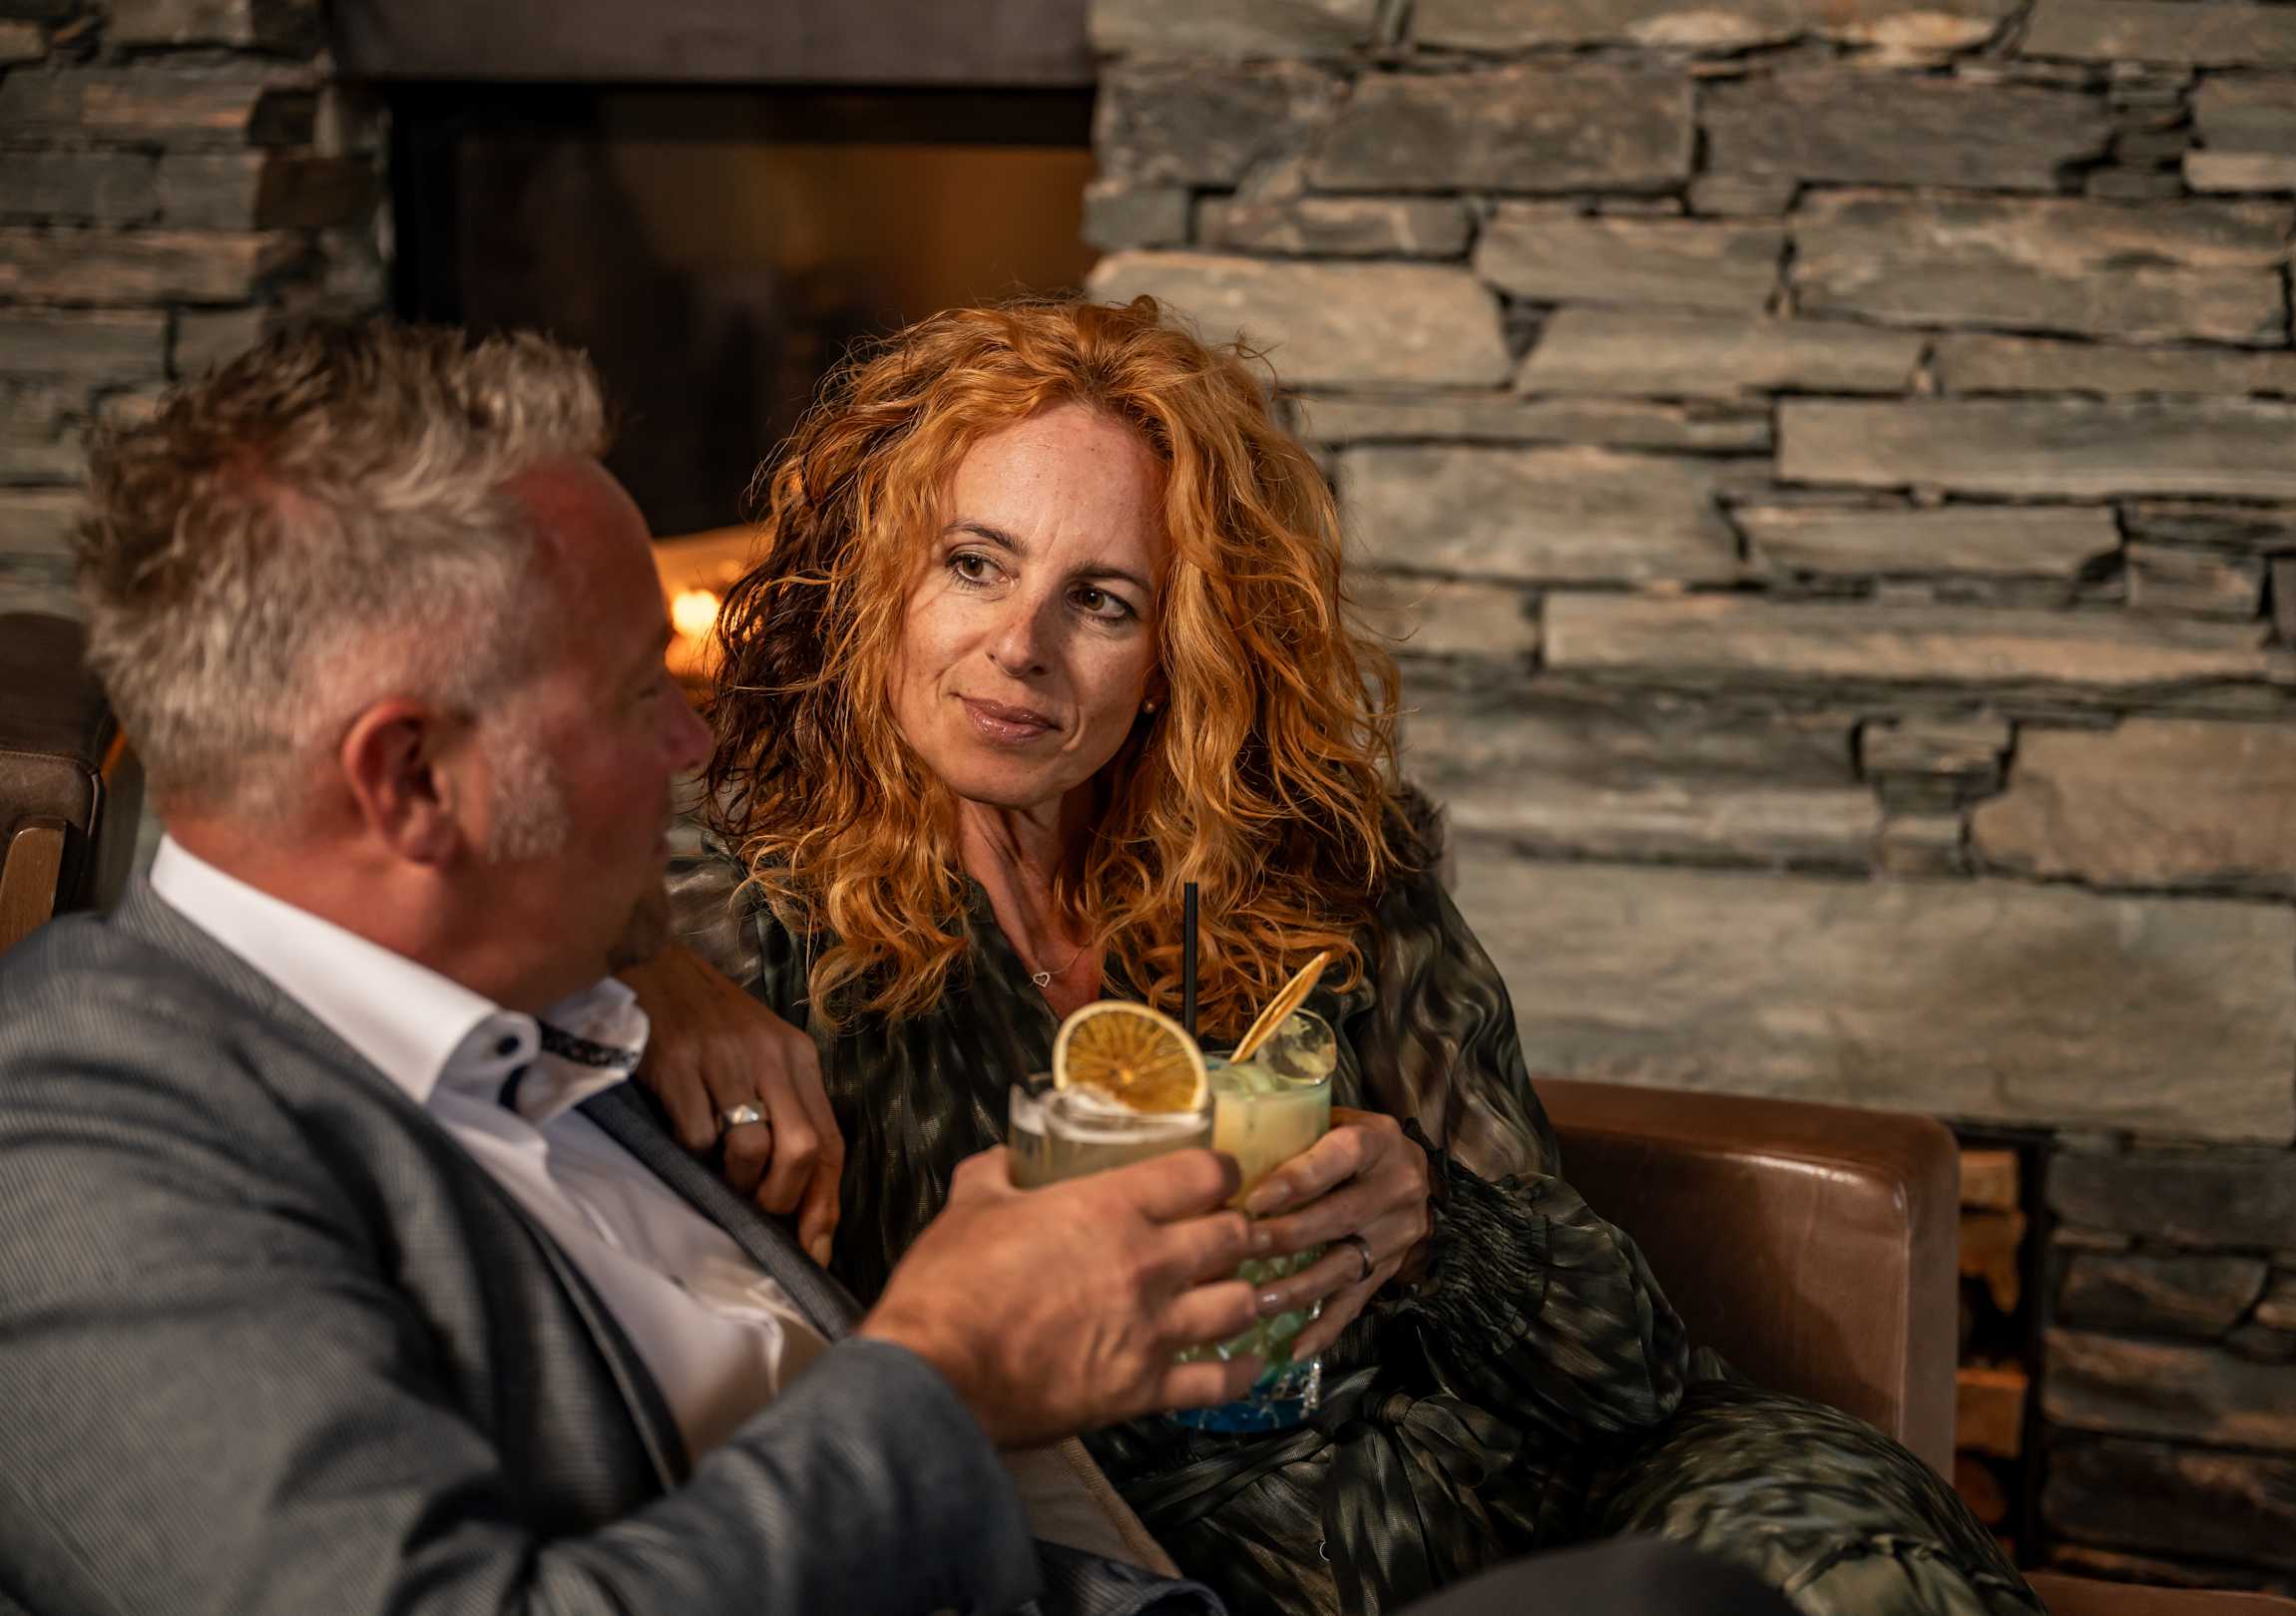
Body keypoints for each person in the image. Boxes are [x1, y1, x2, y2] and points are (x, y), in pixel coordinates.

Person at [631, 295, 2047, 1616]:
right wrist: (651, 964)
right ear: (877, 575)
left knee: (1852, 1554)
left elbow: (1627, 1371)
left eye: (1103, 599)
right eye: (973, 564)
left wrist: (1435, 1223)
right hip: (1196, 1567)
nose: (1022, 646)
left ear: (1178, 651)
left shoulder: (1317, 865)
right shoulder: (737, 916)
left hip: (1557, 1492)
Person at [0, 322, 1279, 1616]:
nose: (691, 745)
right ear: (412, 780)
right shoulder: (74, 1159)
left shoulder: (531, 1022)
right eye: (635, 695)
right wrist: (944, 1376)